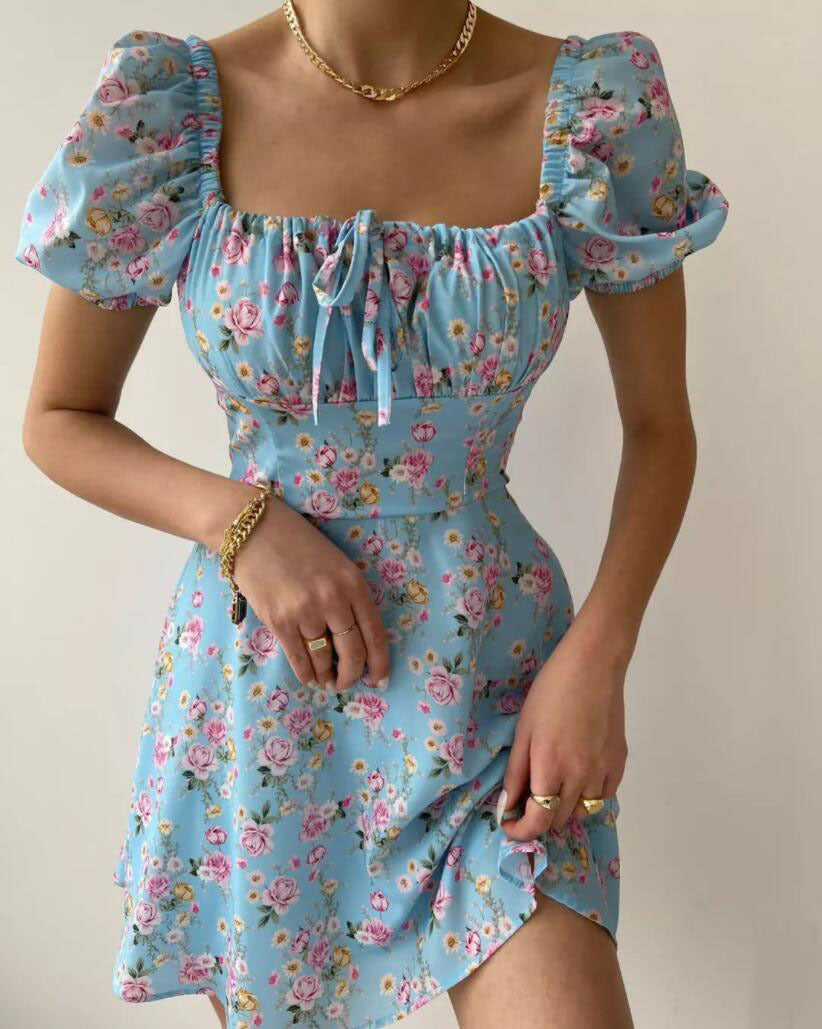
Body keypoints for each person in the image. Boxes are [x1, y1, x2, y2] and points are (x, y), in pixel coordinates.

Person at [14, 2, 729, 1026]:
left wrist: (600, 654)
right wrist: (241, 522)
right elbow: (58, 418)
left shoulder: (592, 104)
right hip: (269, 696)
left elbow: (660, 428)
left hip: (501, 690)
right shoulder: (170, 110)